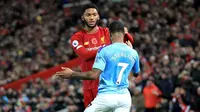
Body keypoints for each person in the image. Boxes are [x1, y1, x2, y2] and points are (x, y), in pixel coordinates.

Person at [56, 21, 140, 112]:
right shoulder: (133, 52)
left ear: (110, 33)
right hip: (125, 98)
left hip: (107, 96)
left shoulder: (104, 50)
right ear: (124, 33)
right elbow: (136, 73)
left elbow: (93, 75)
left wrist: (72, 74)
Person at [70, 3, 134, 108]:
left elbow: (129, 40)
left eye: (94, 14)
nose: (91, 18)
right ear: (82, 17)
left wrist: (125, 33)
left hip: (111, 85)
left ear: (98, 16)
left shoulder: (107, 32)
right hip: (92, 86)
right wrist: (108, 47)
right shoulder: (77, 37)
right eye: (88, 15)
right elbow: (85, 55)